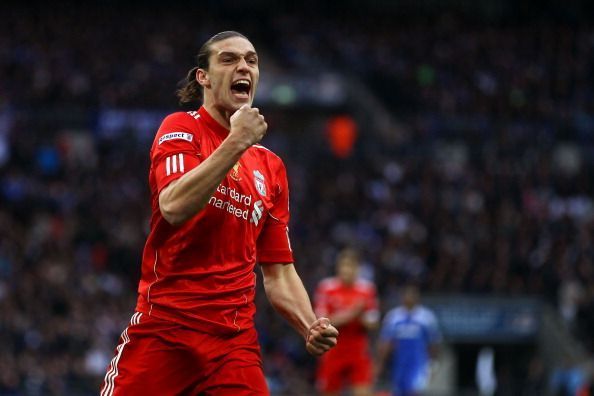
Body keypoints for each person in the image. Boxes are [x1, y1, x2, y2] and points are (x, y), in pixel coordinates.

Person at [100, 31, 338, 396]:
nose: (243, 66)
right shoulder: (181, 129)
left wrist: (308, 324)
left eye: (252, 60)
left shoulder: (271, 168)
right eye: (228, 59)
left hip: (233, 346)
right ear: (204, 77)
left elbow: (278, 269)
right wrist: (237, 142)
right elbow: (174, 206)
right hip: (166, 332)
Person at [314, 248, 379, 396]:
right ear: (338, 267)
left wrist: (355, 316)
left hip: (358, 350)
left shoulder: (367, 290)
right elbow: (322, 323)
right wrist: (353, 313)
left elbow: (373, 323)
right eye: (344, 266)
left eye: (350, 266)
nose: (346, 270)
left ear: (357, 269)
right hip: (332, 349)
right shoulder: (326, 288)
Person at [375, 285, 441, 396]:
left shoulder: (426, 317)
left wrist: (433, 363)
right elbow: (385, 342)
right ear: (402, 297)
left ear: (417, 297)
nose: (409, 298)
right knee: (397, 391)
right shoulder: (393, 317)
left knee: (413, 391)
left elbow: (433, 342)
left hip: (418, 363)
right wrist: (380, 363)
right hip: (398, 363)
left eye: (412, 295)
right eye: (406, 295)